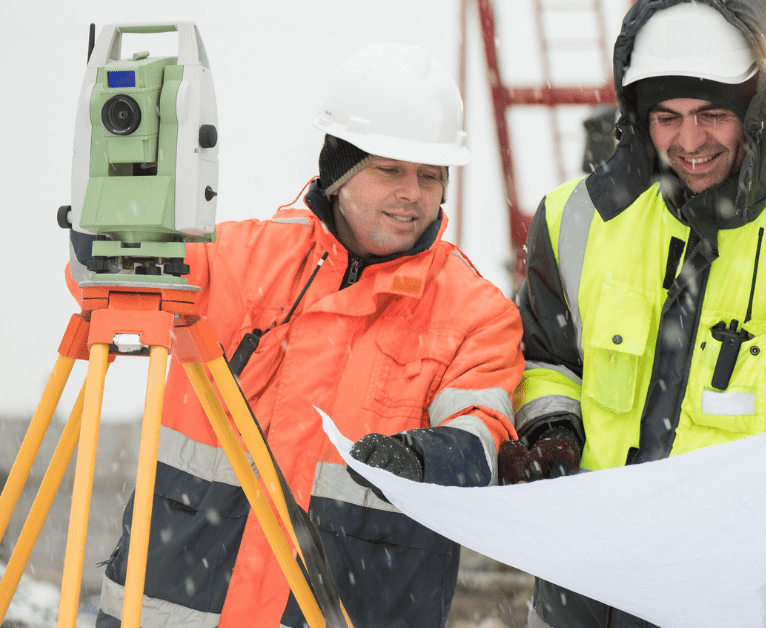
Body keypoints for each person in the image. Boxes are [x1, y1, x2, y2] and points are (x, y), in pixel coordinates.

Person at [68, 43, 523, 628]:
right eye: (390, 170)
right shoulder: (239, 260)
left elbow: (485, 438)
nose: (413, 192)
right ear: (340, 172)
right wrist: (113, 211)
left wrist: (422, 458)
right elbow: (106, 283)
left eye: (430, 176)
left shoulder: (477, 314)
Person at [501, 1, 766, 626]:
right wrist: (553, 432)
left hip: (740, 603)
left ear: (756, 110)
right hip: (582, 591)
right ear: (638, 117)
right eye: (668, 117)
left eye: (713, 114)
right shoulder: (571, 221)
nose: (690, 142)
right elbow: (547, 361)